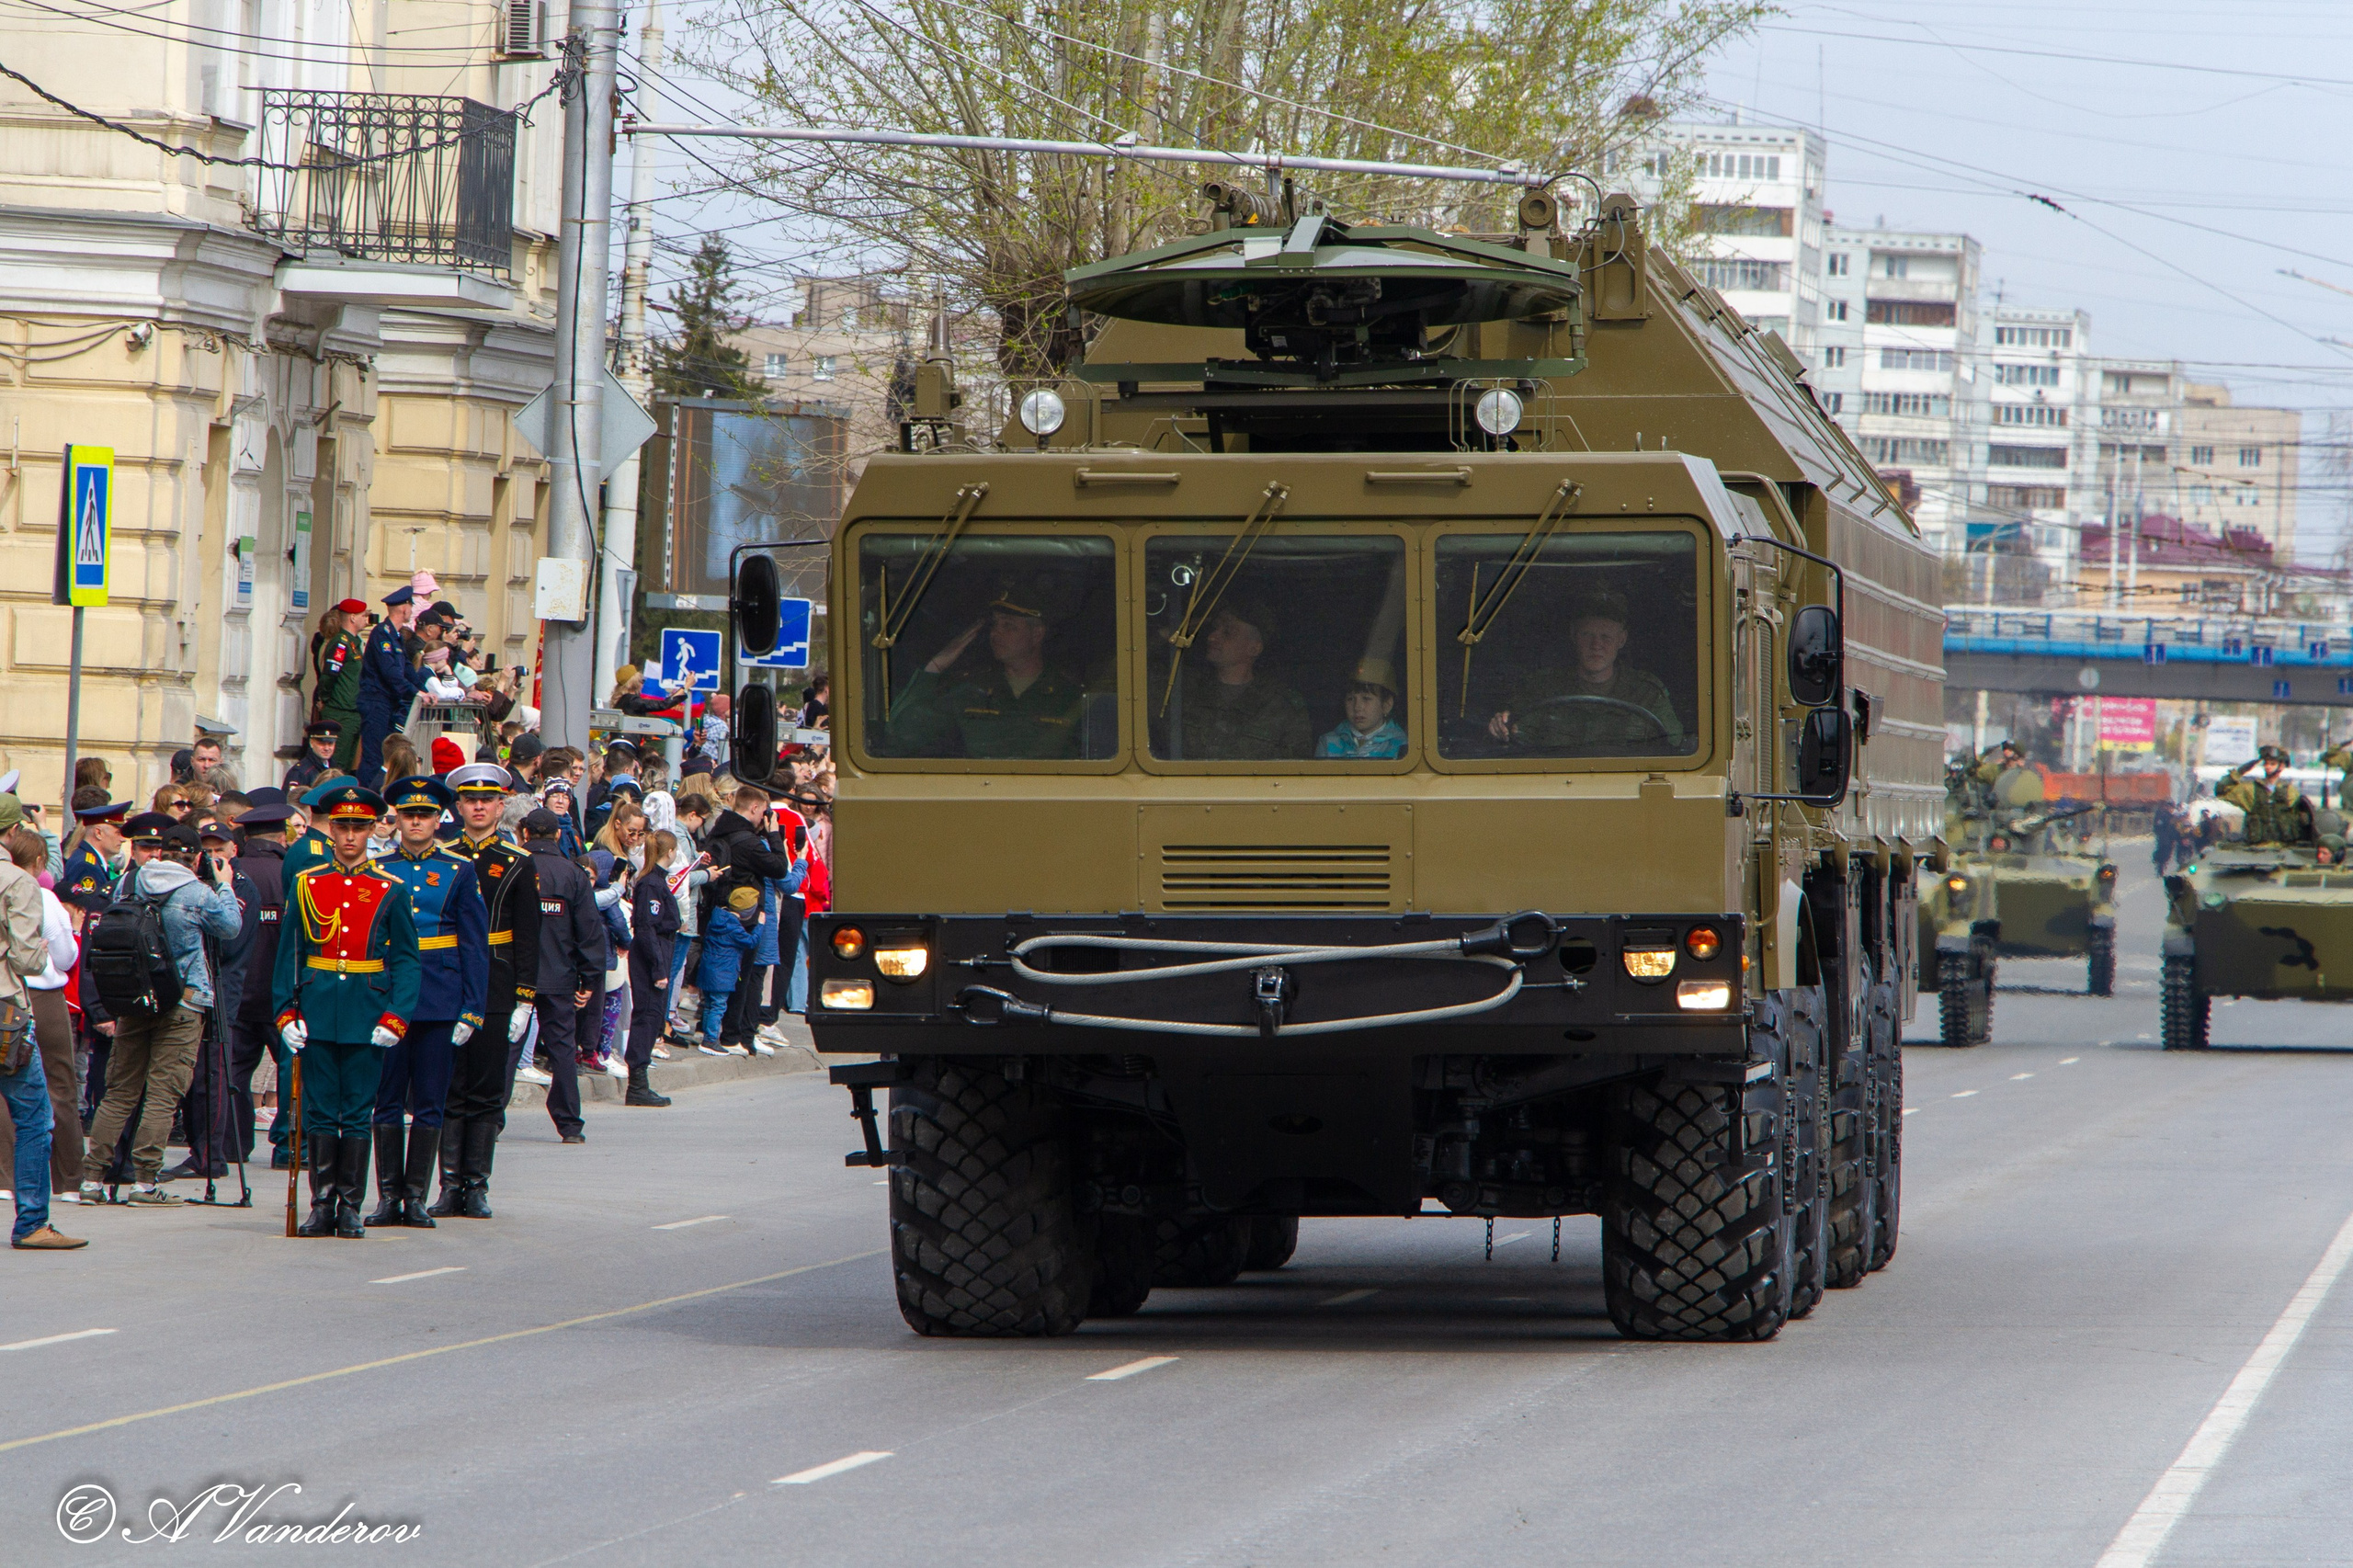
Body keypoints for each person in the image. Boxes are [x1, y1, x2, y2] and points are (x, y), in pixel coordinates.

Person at [273, 782, 421, 1238]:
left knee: (357, 1112)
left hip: (366, 1011)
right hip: (317, 1008)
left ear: (372, 829)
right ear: (331, 829)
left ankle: (351, 1205)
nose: (351, 836)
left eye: (359, 827)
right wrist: (286, 1013)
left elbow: (407, 960)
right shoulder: (307, 883)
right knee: (319, 1112)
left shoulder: (390, 888)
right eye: (343, 827)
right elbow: (289, 955)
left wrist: (396, 1017)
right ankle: (322, 1205)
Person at [80, 820, 242, 1203]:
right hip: (184, 1000)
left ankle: (92, 1180)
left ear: (160, 853)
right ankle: (145, 1183)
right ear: (197, 859)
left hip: (135, 997)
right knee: (162, 1094)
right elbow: (231, 927)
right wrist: (225, 885)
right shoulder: (197, 892)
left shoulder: (129, 882)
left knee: (119, 1092)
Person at [367, 776, 488, 1228]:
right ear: (396, 819)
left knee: (431, 1101)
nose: (416, 822)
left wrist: (472, 1007)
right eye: (409, 814)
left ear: (439, 820)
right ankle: (387, 1197)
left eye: (425, 815)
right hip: (389, 994)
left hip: (440, 994)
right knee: (387, 1099)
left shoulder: (459, 869)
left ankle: (415, 1196)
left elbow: (474, 943)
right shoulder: (377, 868)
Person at [431, 763, 538, 1218]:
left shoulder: (518, 861)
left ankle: (476, 1185)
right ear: (458, 806)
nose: (478, 807)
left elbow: (529, 935)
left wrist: (525, 998)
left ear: (500, 806)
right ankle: (449, 1185)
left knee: (487, 1088)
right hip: (451, 978)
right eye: (470, 800)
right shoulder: (443, 857)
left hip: (497, 979)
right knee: (449, 1086)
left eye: (487, 800)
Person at [885, 583, 1087, 759]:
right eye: (994, 625)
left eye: (1009, 626)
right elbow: (901, 737)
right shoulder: (970, 691)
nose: (995, 633)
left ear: (1037, 634)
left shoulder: (1070, 696)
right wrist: (935, 667)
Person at [163, 814, 257, 1183]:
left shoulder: (240, 886)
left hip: (221, 990)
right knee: (191, 1076)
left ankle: (210, 1155)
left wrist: (222, 888)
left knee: (212, 1076)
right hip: (190, 989)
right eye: (209, 850)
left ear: (234, 850)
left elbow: (228, 941)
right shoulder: (194, 885)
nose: (215, 856)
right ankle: (196, 1148)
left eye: (221, 849)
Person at [0, 827, 80, 1250]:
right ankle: (32, 1220)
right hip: (8, 1007)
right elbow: (30, 959)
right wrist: (40, 949)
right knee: (36, 1113)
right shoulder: (19, 881)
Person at [1484, 588, 1683, 753]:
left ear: (1621, 640)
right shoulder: (1541, 688)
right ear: (1573, 636)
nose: (1596, 645)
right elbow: (1515, 738)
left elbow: (1674, 750)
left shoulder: (1647, 694)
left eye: (1606, 637)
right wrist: (1501, 727)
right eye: (1587, 635)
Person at [521, 807, 599, 1144]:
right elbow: (589, 931)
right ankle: (570, 1125)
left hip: (516, 977)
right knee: (563, 1050)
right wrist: (590, 979)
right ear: (557, 835)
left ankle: (490, 1121)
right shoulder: (573, 874)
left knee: (507, 1047)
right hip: (559, 976)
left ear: (525, 834)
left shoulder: (514, 866)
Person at [228, 791, 296, 1168]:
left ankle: (232, 1145)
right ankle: (287, 1147)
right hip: (281, 993)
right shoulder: (292, 874)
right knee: (291, 1069)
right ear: (282, 837)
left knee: (235, 1070)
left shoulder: (231, 873)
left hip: (238, 991)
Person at [1179, 599, 1313, 760]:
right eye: (1214, 628)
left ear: (1254, 648)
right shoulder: (1185, 689)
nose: (1212, 637)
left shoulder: (1282, 705)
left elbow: (1296, 768)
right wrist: (1178, 630)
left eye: (1227, 632)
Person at [625, 829, 681, 1107]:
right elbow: (647, 928)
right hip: (651, 955)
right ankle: (637, 1084)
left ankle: (640, 1080)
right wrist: (658, 969)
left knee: (654, 1015)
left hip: (660, 951)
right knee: (647, 1016)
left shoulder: (656, 882)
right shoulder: (650, 884)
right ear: (670, 852)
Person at [357, 585, 426, 786]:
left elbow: (407, 668)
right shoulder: (382, 634)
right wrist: (415, 693)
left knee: (387, 756)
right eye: (411, 606)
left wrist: (423, 690)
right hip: (376, 702)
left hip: (389, 703)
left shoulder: (395, 636)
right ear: (404, 608)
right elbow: (391, 673)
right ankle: (367, 795)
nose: (411, 611)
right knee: (374, 756)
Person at [311, 601, 369, 771]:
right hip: (341, 712)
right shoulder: (341, 643)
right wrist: (325, 698)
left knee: (348, 764)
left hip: (352, 712)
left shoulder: (354, 642)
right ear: (352, 618)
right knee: (338, 764)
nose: (366, 619)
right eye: (363, 615)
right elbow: (329, 676)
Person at [1316, 659, 1408, 759]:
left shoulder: (1401, 745)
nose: (1357, 707)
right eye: (1350, 699)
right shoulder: (1328, 742)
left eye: (1366, 698)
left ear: (1387, 705)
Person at [2219, 746, 2308, 846]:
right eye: (2265, 763)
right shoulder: (2251, 790)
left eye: (2272, 764)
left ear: (2281, 766)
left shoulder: (2290, 792)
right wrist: (2240, 772)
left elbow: (2302, 819)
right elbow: (2222, 790)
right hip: (2256, 848)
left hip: (2285, 848)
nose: (2267, 767)